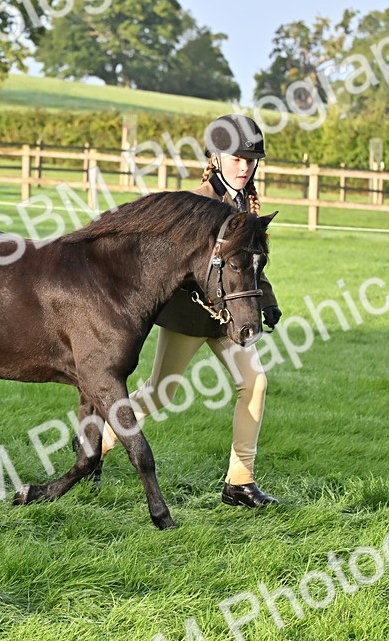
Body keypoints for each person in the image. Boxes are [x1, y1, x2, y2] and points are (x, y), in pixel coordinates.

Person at [91, 113, 283, 508]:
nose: (244, 168)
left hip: (230, 320)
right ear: (215, 157)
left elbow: (246, 265)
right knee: (160, 394)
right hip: (190, 318)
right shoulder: (194, 205)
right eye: (237, 159)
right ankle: (96, 443)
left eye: (250, 161)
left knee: (255, 383)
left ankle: (240, 481)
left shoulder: (246, 203)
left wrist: (267, 301)